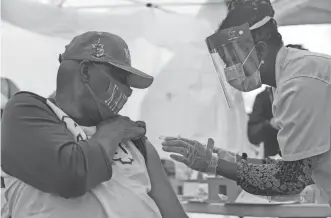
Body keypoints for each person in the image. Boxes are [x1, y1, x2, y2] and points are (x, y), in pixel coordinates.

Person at [1, 32, 188, 218]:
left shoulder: (136, 142)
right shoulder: (28, 111)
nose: (128, 91)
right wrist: (113, 132)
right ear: (85, 71)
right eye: (121, 78)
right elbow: (70, 176)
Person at [162, 0, 331, 205]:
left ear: (259, 51)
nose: (229, 69)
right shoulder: (287, 77)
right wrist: (234, 161)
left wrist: (215, 165)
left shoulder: (299, 84)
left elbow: (289, 179)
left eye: (233, 59)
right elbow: (294, 165)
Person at [247, 44, 307, 158]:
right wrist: (270, 124)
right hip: (275, 163)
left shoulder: (315, 94)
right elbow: (253, 135)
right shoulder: (264, 98)